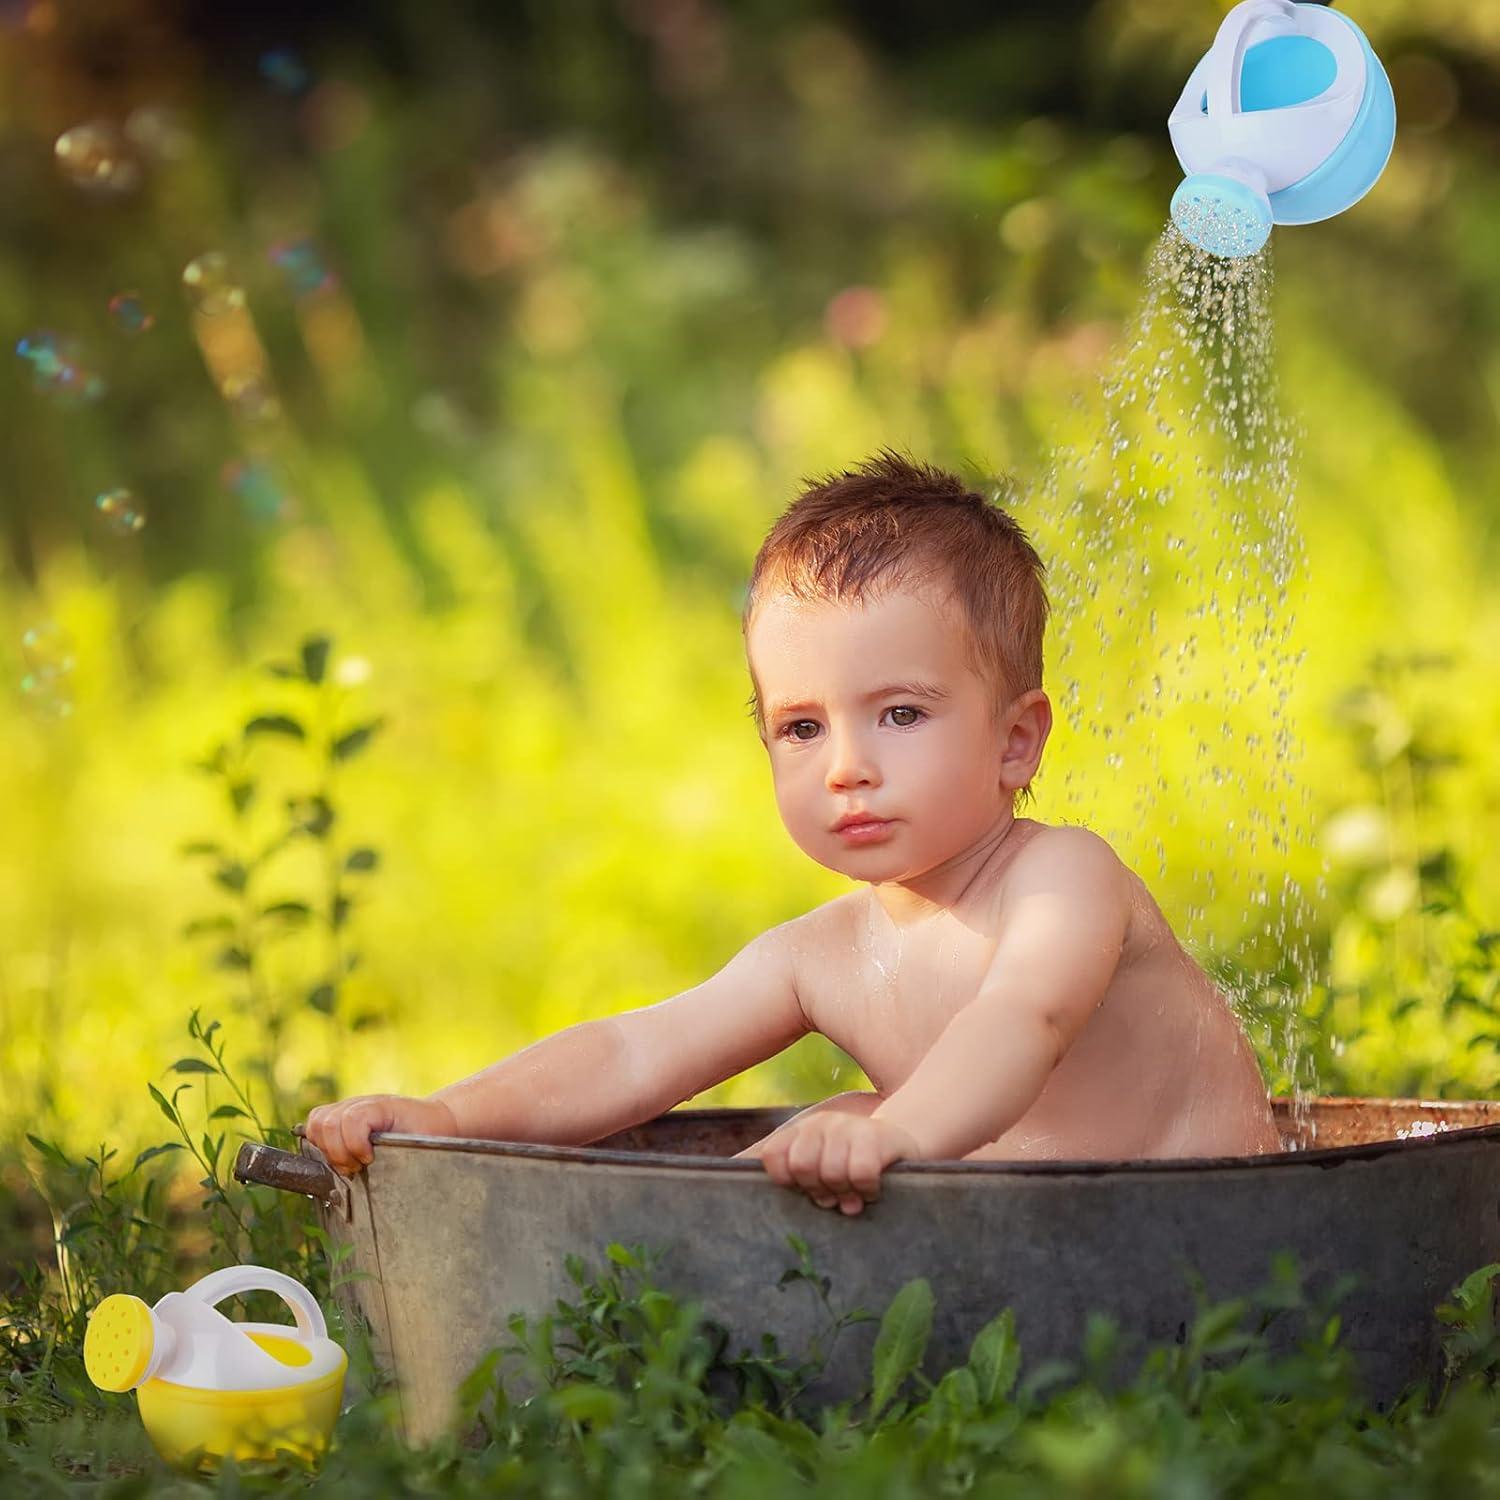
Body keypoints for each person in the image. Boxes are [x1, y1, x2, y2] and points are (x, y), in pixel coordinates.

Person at [307, 451, 1281, 1215]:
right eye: (803, 728)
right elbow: (634, 1054)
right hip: (1035, 1248)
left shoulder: (1063, 878)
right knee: (822, 1132)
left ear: (1016, 739)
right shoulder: (824, 956)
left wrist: (896, 1135)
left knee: (860, 1128)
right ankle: (687, 1287)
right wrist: (449, 1116)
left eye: (901, 714)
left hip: (1214, 1236)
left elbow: (1023, 1017)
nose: (846, 766)